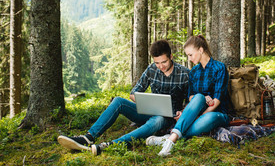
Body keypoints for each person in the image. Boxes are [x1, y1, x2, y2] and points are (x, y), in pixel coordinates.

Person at [58, 40, 189, 155]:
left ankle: (111, 145)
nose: (161, 66)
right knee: (118, 102)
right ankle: (89, 137)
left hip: (167, 119)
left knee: (157, 120)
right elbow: (134, 92)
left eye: (164, 62)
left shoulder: (184, 73)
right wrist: (146, 103)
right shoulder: (151, 69)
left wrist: (182, 112)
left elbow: (191, 101)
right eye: (157, 63)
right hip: (148, 112)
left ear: (171, 57)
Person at [146, 35, 230, 156]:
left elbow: (216, 101)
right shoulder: (194, 71)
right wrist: (200, 100)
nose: (189, 58)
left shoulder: (219, 68)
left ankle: (169, 138)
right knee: (199, 97)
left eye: (190, 55)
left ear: (200, 50)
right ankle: (171, 141)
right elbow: (191, 97)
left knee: (208, 118)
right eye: (187, 56)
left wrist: (195, 117)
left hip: (216, 112)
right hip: (197, 110)